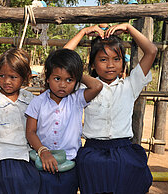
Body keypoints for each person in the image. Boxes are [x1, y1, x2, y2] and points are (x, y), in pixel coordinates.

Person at [64, 23, 158, 194]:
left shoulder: (130, 85)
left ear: (123, 63)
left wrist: (129, 28)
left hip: (124, 154)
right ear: (92, 64)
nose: (110, 65)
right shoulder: (83, 89)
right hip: (93, 155)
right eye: (103, 59)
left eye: (116, 59)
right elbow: (62, 60)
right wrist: (83, 32)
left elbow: (151, 51)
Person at [25, 48, 103, 194]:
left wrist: (77, 73)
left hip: (70, 165)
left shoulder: (77, 99)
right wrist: (43, 152)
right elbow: (30, 131)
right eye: (57, 78)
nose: (62, 85)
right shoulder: (38, 102)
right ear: (47, 77)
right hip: (41, 163)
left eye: (69, 80)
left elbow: (97, 86)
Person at [0, 48, 40, 194]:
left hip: (25, 158)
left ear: (25, 77)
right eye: (2, 76)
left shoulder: (31, 100)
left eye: (13, 77)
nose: (6, 81)